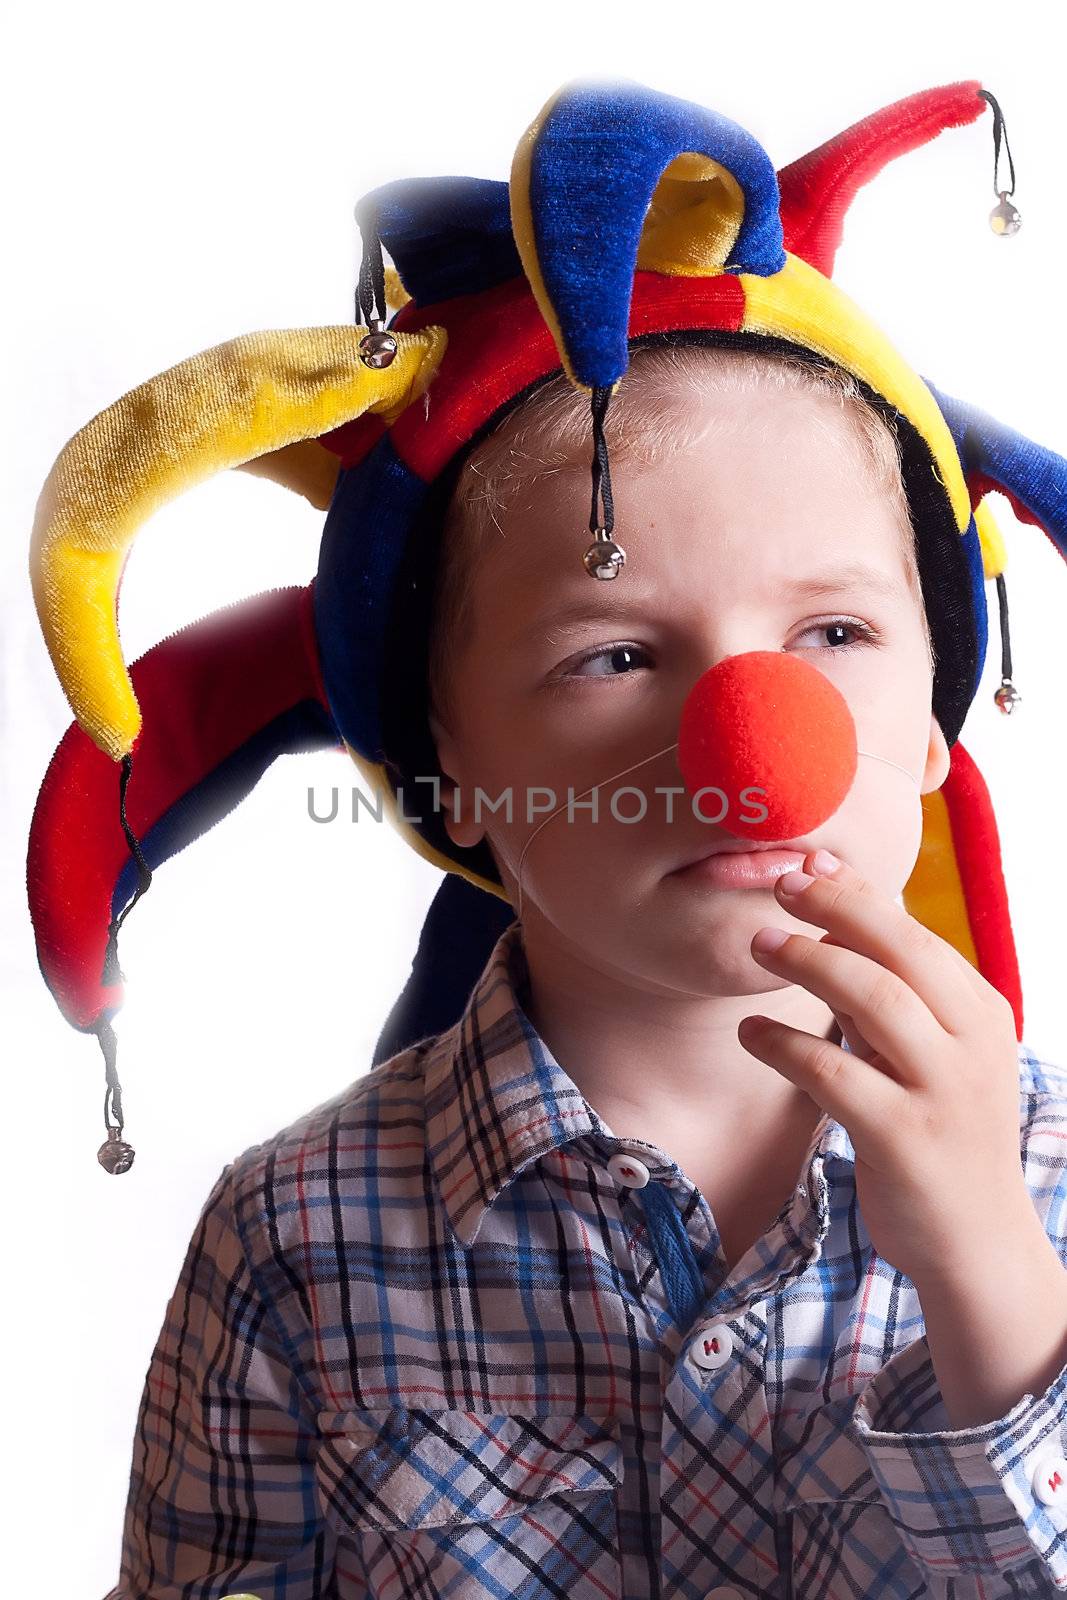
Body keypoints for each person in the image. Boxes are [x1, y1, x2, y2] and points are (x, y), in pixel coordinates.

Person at [27, 78, 1067, 1598]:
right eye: (615, 655)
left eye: (834, 629)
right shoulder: (291, 1244)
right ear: (449, 765)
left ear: (931, 716)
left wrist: (994, 1283)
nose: (752, 740)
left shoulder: (1051, 1176)